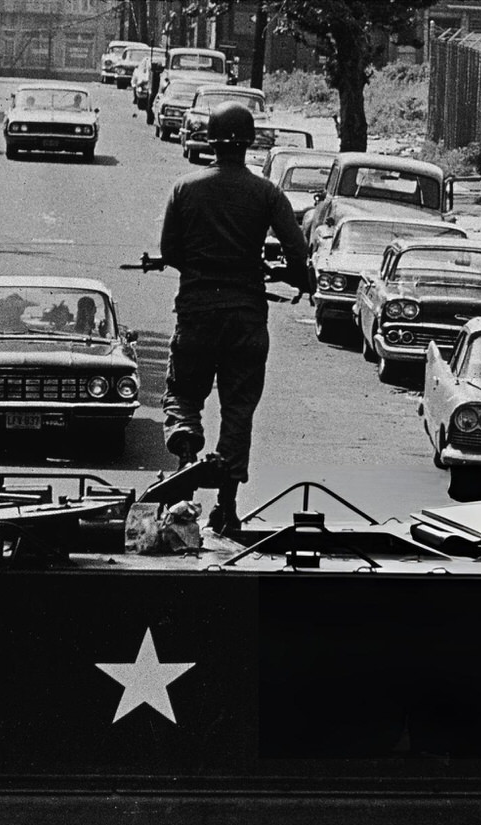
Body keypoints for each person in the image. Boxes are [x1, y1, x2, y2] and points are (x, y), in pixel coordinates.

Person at [158, 101, 310, 535]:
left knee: (185, 396)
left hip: (197, 313)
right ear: (249, 142)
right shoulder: (267, 193)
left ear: (209, 139)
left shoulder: (185, 188)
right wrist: (286, 273)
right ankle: (225, 506)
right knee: (238, 409)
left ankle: (184, 472)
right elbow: (298, 255)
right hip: (246, 317)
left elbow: (171, 252)